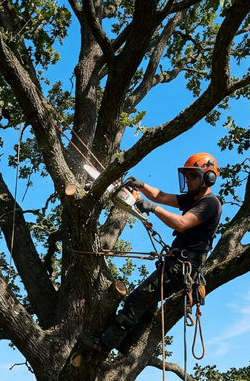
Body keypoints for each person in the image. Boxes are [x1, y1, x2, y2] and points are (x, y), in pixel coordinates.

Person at [79, 152, 222, 357]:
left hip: (181, 267)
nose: (188, 180)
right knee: (147, 305)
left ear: (208, 178)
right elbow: (161, 196)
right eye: (187, 176)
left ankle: (101, 346)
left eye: (193, 176)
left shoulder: (209, 203)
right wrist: (140, 185)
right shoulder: (192, 199)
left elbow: (182, 224)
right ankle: (125, 346)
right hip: (178, 264)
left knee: (136, 300)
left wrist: (154, 209)